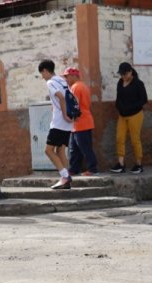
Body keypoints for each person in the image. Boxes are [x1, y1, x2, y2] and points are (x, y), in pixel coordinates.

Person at [38, 59, 74, 189]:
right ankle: (66, 180)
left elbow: (61, 97)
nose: (42, 77)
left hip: (59, 121)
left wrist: (63, 114)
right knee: (60, 151)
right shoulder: (62, 80)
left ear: (46, 71)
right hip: (68, 123)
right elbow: (67, 95)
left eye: (42, 73)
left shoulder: (51, 82)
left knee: (48, 150)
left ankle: (65, 176)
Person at [111, 62, 147, 174]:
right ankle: (121, 164)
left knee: (134, 139)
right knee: (119, 138)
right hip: (122, 115)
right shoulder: (120, 82)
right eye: (121, 74)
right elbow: (119, 97)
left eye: (125, 74)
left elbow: (143, 99)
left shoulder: (138, 83)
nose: (123, 76)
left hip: (135, 115)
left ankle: (138, 164)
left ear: (130, 72)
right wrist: (119, 106)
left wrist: (130, 107)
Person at [63, 67, 98, 176]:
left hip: (80, 121)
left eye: (67, 76)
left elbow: (74, 105)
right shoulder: (82, 86)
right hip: (82, 121)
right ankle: (73, 169)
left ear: (74, 76)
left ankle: (93, 169)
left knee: (84, 147)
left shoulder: (76, 87)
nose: (66, 79)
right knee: (74, 148)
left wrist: (69, 116)